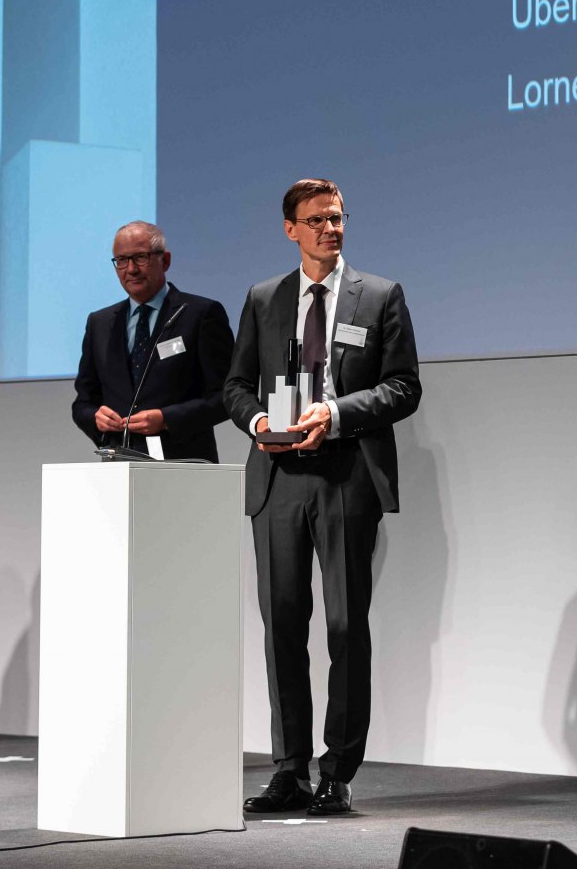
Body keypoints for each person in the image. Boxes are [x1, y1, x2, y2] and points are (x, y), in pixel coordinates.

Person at [225, 178, 421, 817]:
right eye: (316, 220)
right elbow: (235, 386)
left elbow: (404, 388)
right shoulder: (264, 298)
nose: (330, 229)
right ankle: (289, 770)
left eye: (337, 218)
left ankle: (337, 772)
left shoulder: (381, 295)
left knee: (344, 626)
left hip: (347, 475)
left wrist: (334, 414)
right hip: (278, 476)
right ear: (291, 229)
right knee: (282, 625)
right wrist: (260, 421)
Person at [71, 221, 234, 462]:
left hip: (184, 463)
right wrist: (96, 418)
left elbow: (227, 396)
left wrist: (167, 419)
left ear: (165, 260)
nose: (131, 269)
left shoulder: (200, 314)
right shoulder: (99, 323)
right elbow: (83, 403)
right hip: (119, 466)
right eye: (121, 260)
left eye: (140, 257)